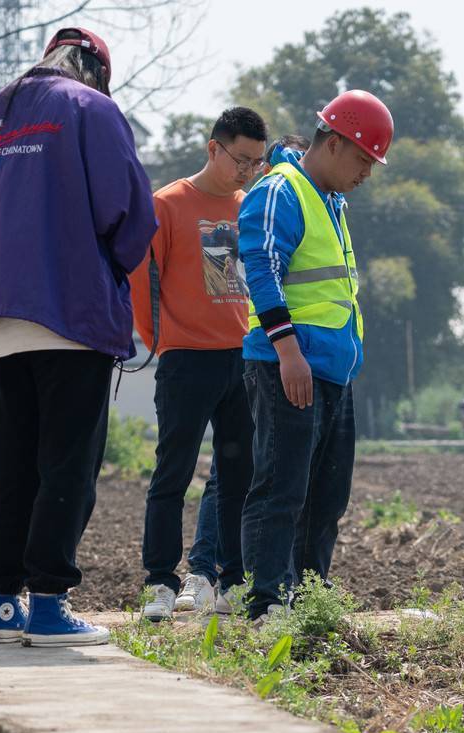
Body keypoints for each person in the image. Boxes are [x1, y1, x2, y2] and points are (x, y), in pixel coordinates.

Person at [0, 26, 155, 646]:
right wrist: (112, 274)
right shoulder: (92, 108)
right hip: (69, 313)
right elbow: (130, 214)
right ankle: (47, 606)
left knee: (12, 469)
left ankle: (2, 608)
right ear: (94, 70)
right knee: (66, 467)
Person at [238, 92, 394, 622]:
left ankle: (309, 599)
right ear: (333, 143)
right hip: (290, 366)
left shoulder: (330, 202)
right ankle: (266, 604)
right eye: (363, 160)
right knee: (282, 486)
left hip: (331, 371)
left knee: (327, 495)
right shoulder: (282, 190)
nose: (367, 173)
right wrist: (288, 352)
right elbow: (261, 270)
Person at [132, 108, 268, 621]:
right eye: (241, 159)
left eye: (256, 162)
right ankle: (160, 583)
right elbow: (141, 288)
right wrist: (163, 343)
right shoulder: (167, 205)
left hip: (242, 358)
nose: (248, 171)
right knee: (173, 472)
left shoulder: (250, 205)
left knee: (238, 476)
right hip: (186, 360)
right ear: (214, 149)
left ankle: (231, 580)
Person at [177, 135, 309, 609]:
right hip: (235, 352)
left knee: (252, 470)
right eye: (256, 162)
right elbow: (224, 289)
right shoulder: (237, 208)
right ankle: (202, 571)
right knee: (227, 470)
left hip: (258, 351)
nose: (261, 170)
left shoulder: (291, 203)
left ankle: (241, 579)